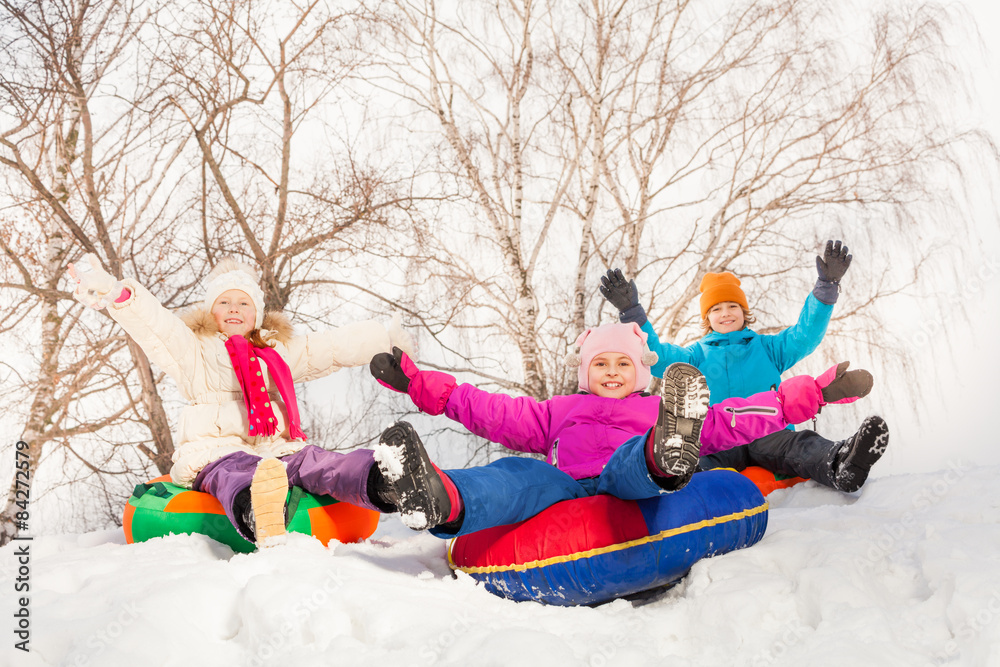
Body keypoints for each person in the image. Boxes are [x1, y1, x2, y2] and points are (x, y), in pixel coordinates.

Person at [366, 322, 873, 535]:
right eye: (601, 364)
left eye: (623, 364)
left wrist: (812, 394)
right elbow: (492, 411)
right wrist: (419, 386)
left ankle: (668, 451)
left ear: (640, 373)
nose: (612, 371)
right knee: (517, 475)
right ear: (587, 373)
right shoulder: (557, 410)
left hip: (628, 480)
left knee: (633, 462)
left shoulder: (654, 406)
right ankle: (437, 495)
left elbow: (730, 419)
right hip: (565, 488)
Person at [68, 253, 410, 547]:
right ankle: (256, 511)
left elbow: (329, 349)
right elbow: (156, 326)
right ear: (210, 310)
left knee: (318, 461)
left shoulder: (276, 352)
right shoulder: (194, 349)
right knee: (235, 473)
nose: (234, 309)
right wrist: (115, 292)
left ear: (257, 314)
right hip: (216, 452)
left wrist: (384, 342)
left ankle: (385, 481)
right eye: (224, 302)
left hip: (275, 448)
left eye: (244, 303)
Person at [599, 240, 888, 493]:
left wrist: (826, 289)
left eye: (732, 306)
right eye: (716, 309)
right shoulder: (695, 356)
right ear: (707, 318)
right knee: (696, 462)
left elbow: (804, 336)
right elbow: (657, 356)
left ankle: (841, 462)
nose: (725, 313)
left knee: (799, 444)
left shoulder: (768, 348)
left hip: (767, 432)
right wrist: (631, 313)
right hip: (717, 438)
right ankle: (677, 491)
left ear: (743, 311)